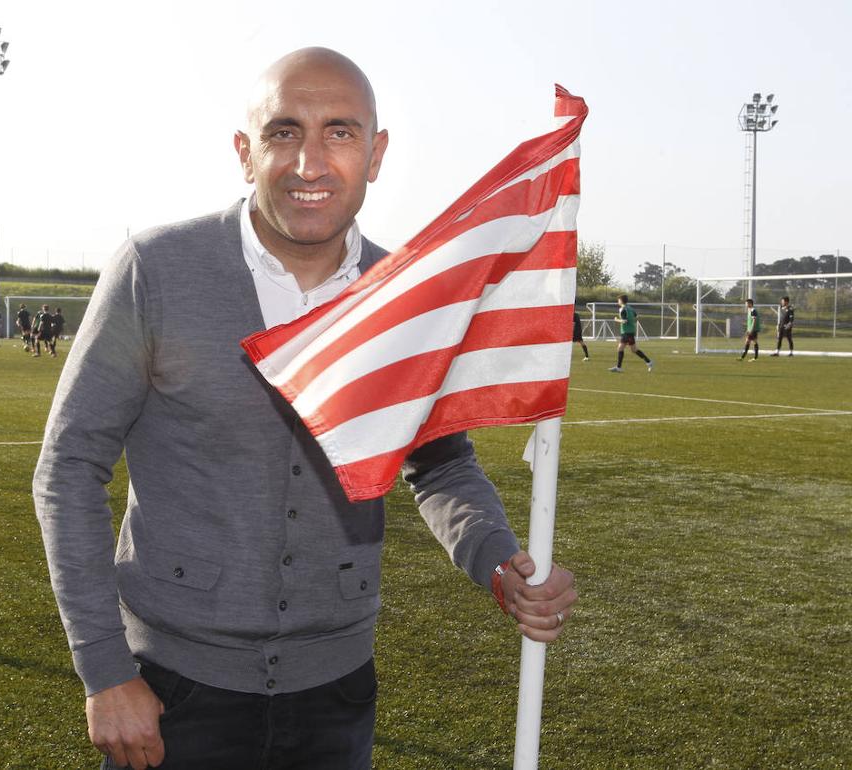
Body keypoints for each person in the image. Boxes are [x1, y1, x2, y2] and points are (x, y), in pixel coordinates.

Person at [33, 48, 577, 770]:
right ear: (244, 151)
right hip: (172, 691)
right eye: (284, 132)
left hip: (336, 696)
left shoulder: (403, 298)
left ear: (376, 153)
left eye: (341, 133)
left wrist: (499, 560)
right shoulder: (156, 271)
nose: (310, 163)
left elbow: (443, 468)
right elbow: (69, 468)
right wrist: (105, 670)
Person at [608, 293, 652, 373]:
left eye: (618, 300)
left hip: (626, 332)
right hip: (630, 331)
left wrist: (616, 319)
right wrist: (631, 321)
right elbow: (636, 316)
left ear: (621, 301)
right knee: (633, 350)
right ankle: (648, 362)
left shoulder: (622, 309)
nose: (618, 301)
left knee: (621, 348)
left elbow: (625, 321)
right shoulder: (630, 308)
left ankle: (619, 367)